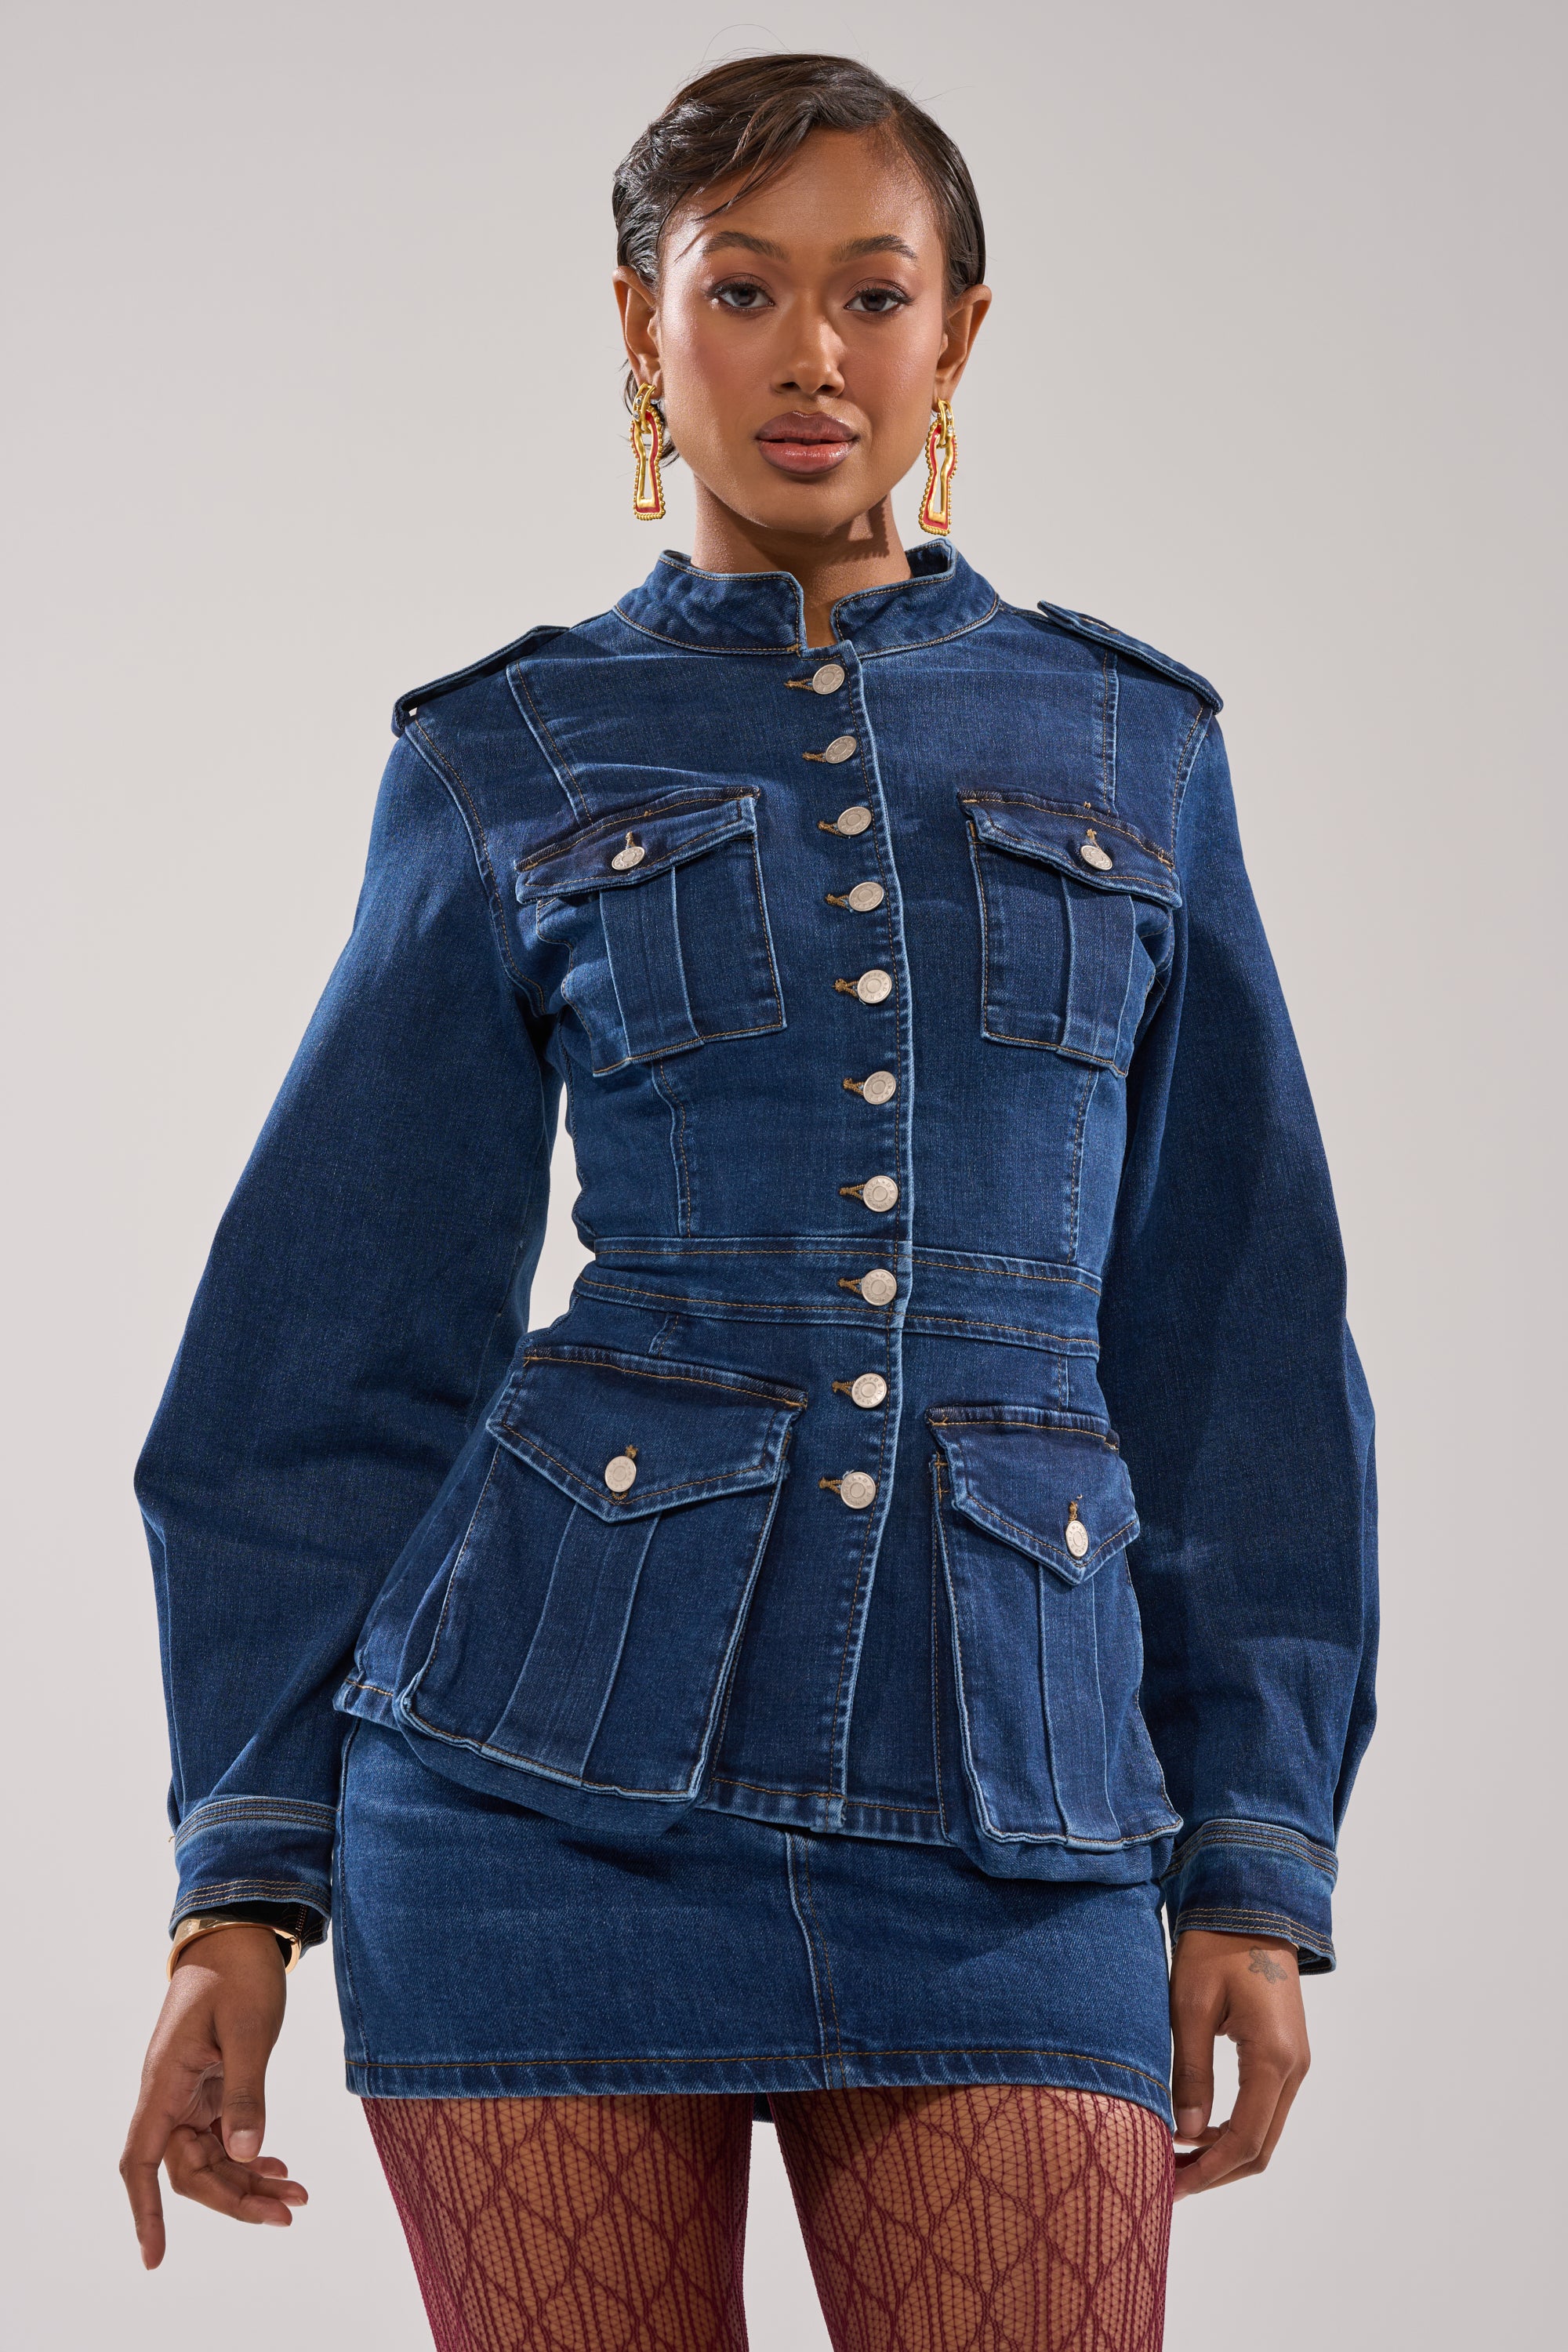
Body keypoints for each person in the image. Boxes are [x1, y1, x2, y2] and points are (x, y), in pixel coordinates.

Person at [119, 52, 1377, 2352]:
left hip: (1025, 1821)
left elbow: (1234, 1341)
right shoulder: (505, 757)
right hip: (531, 1805)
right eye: (745, 290)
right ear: (642, 325)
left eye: (872, 295)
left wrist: (1257, 1868)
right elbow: (330, 1347)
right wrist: (238, 1892)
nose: (812, 355)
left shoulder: (1135, 752)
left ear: (959, 335)